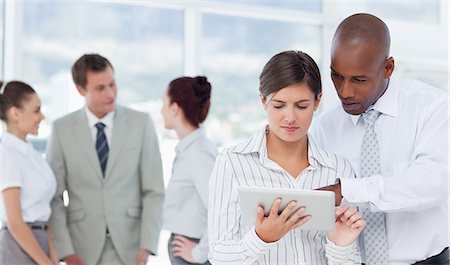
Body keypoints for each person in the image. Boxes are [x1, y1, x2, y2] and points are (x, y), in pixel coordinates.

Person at [311, 13, 449, 265]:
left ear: (388, 68)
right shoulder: (323, 128)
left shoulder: (432, 107)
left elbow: (435, 182)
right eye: (336, 76)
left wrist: (348, 190)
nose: (345, 91)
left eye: (359, 80)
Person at [208, 50, 366, 265]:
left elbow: (351, 261)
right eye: (279, 105)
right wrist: (261, 238)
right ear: (263, 101)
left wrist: (340, 245)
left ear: (317, 101)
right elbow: (218, 256)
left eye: (302, 106)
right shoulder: (231, 162)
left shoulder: (338, 170)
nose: (290, 118)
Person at [46, 54, 165, 265]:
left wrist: (147, 246)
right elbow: (54, 197)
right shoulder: (61, 129)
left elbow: (154, 191)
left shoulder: (141, 124)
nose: (110, 93)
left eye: (112, 84)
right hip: (81, 249)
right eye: (100, 88)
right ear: (80, 90)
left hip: (130, 247)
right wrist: (66, 251)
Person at [161, 76, 218, 265]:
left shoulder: (199, 152)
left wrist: (199, 253)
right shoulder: (190, 149)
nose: (161, 110)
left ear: (175, 108)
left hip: (193, 256)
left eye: (164, 103)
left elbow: (218, 209)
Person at [0, 81, 58, 264]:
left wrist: (53, 258)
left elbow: (45, 210)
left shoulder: (32, 154)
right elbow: (15, 223)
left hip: (40, 245)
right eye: (36, 110)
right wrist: (46, 262)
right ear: (15, 113)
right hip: (19, 248)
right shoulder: (8, 155)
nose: (42, 116)